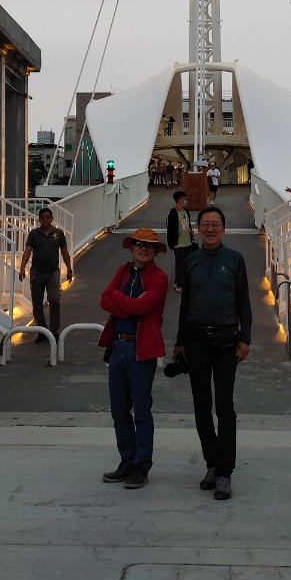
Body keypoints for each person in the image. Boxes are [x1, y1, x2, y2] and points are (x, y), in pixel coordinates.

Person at [172, 206, 252, 502]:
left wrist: (245, 337)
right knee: (201, 407)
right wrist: (180, 341)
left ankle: (225, 471)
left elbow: (243, 300)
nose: (210, 229)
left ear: (223, 229)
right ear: (197, 229)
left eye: (215, 224)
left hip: (226, 341)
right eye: (205, 224)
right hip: (195, 341)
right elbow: (185, 304)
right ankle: (212, 464)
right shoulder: (191, 261)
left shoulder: (235, 259)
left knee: (225, 407)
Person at [98, 227, 169, 489]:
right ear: (131, 248)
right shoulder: (123, 270)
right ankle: (126, 460)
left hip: (141, 349)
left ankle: (141, 466)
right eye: (139, 244)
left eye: (149, 246)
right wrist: (127, 303)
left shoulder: (159, 277)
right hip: (118, 346)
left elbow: (142, 306)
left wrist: (120, 298)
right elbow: (105, 300)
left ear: (155, 252)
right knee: (119, 410)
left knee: (141, 410)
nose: (143, 249)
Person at [19, 206, 73, 343]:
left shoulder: (58, 234)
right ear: (39, 219)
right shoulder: (33, 234)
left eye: (48, 217)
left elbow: (65, 252)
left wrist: (69, 269)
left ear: (52, 219)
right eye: (42, 218)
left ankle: (54, 331)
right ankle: (42, 330)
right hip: (37, 273)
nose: (45, 220)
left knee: (54, 300)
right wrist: (22, 268)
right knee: (37, 303)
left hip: (53, 272)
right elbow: (27, 251)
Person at [166, 188, 196, 292]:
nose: (185, 201)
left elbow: (187, 223)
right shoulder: (173, 213)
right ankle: (179, 283)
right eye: (184, 199)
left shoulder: (186, 211)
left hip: (188, 242)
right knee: (180, 264)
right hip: (178, 243)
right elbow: (170, 229)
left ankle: (185, 281)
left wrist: (191, 231)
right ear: (179, 200)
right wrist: (171, 244)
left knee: (188, 263)